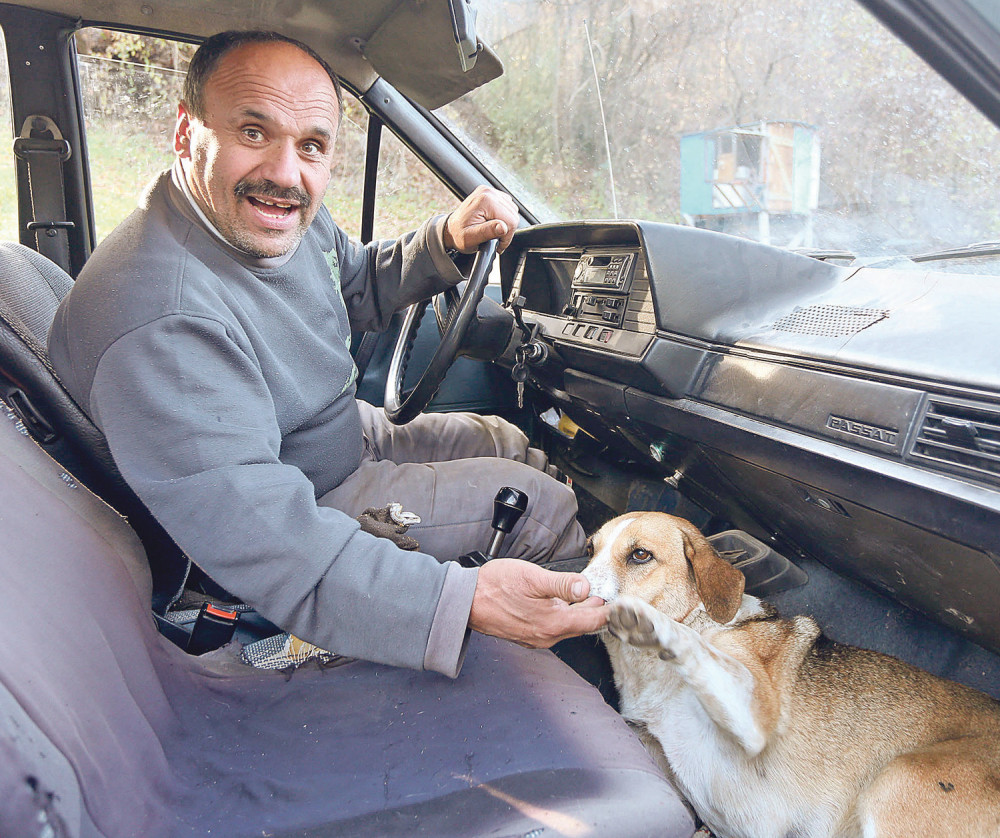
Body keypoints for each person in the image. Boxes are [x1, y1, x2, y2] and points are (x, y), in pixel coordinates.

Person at [48, 29, 608, 677]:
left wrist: (447, 239)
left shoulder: (276, 213)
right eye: (253, 132)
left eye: (311, 145)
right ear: (186, 133)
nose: (286, 174)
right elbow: (269, 540)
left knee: (505, 441)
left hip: (334, 435)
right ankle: (579, 692)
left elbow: (357, 284)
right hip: (302, 500)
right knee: (543, 509)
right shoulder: (160, 319)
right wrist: (460, 599)